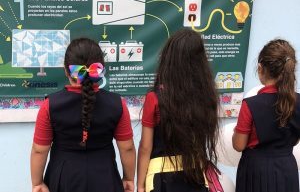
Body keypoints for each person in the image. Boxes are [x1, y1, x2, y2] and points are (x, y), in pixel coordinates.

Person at [30, 38, 136, 192]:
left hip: (63, 178)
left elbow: (39, 150)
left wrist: (37, 183)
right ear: (101, 69)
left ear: (66, 70)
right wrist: (128, 179)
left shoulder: (49, 105)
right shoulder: (117, 103)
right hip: (105, 177)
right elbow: (127, 148)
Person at [137, 29, 220, 192]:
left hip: (160, 179)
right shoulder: (207, 97)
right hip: (196, 174)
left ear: (168, 59)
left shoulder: (155, 98)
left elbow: (145, 147)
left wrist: (140, 185)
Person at [232, 39, 300, 192]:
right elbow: (295, 141)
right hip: (287, 169)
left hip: (256, 171)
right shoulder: (298, 101)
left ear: (260, 68)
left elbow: (238, 145)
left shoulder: (250, 104)